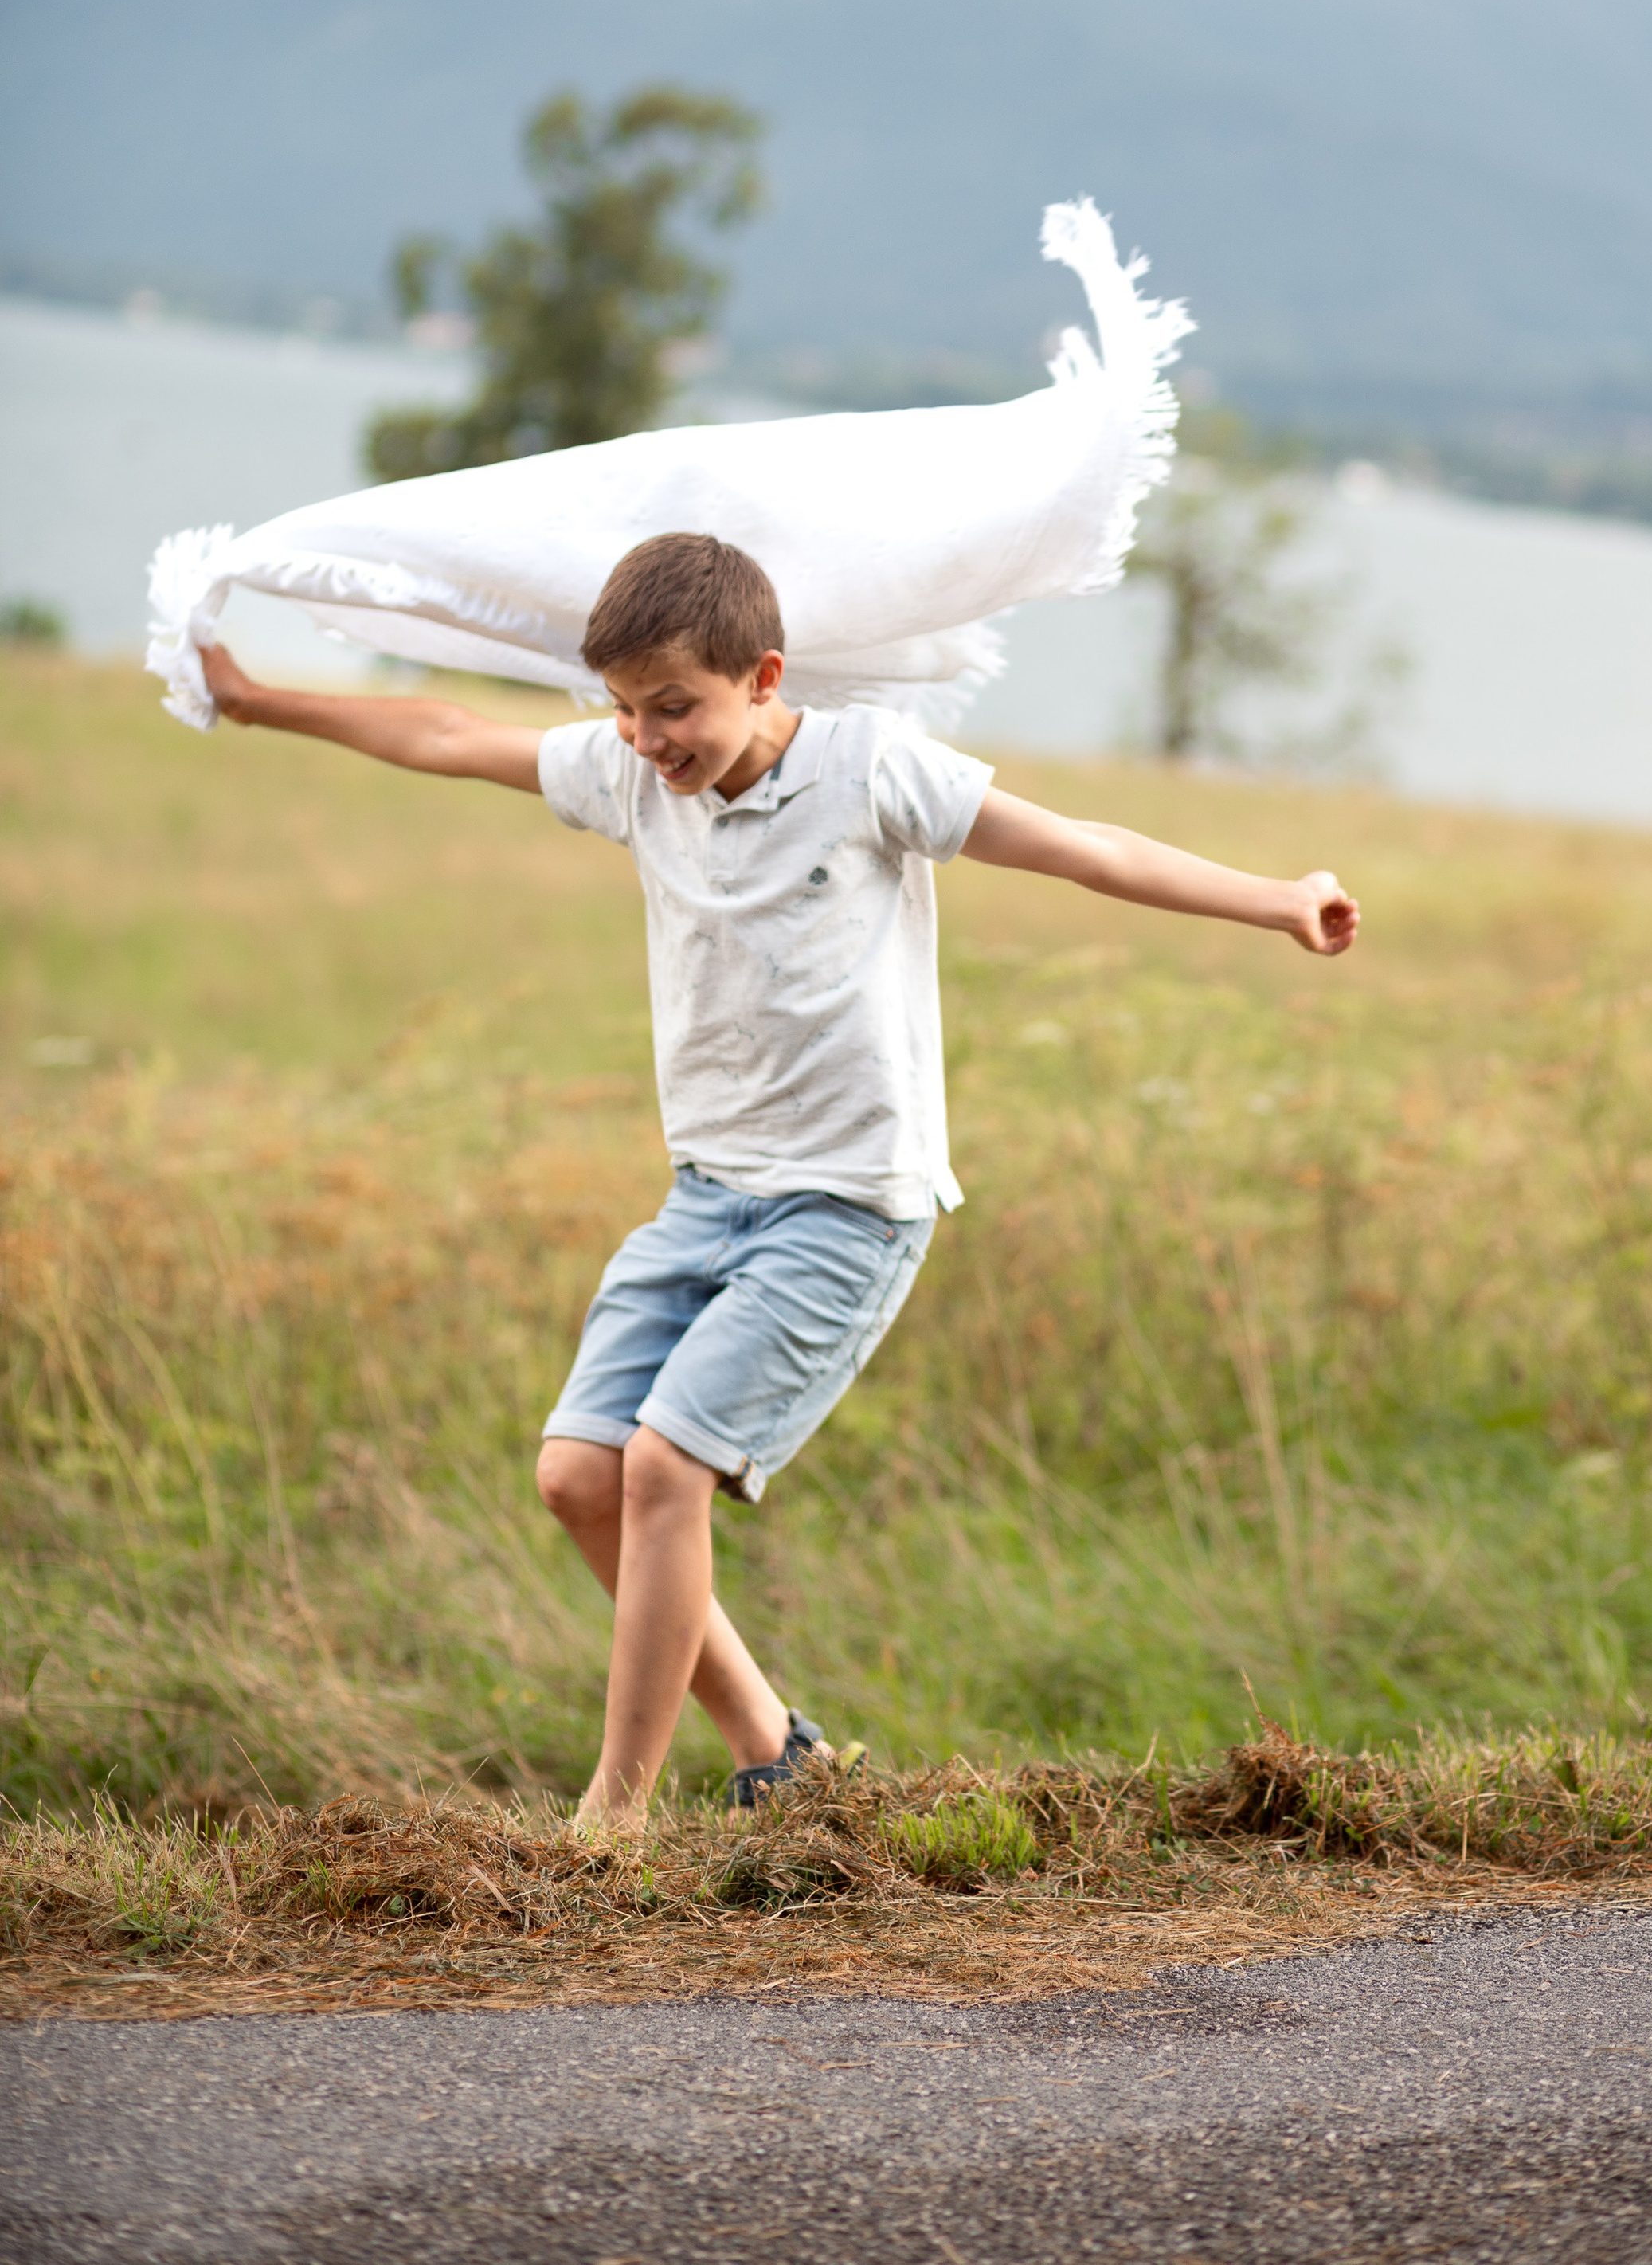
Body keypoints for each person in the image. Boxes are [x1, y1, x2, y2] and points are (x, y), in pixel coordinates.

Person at [199, 530, 1358, 1828]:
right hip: (704, 1196)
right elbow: (446, 730)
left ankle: (613, 1819)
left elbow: (1085, 847)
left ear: (763, 674)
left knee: (661, 1469)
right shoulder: (633, 775)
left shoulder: (871, 768)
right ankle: (778, 1751)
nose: (646, 738)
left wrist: (1279, 896)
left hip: (848, 1206)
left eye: (675, 707)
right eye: (626, 709)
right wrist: (255, 701)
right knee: (578, 1476)